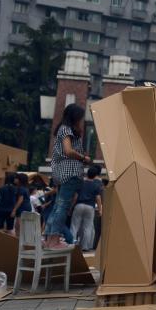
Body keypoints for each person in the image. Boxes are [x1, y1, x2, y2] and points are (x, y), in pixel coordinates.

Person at [44, 104, 91, 249]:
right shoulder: (67, 130)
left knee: (58, 205)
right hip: (70, 172)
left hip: (61, 172)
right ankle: (54, 239)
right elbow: (68, 151)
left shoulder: (61, 129)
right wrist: (83, 158)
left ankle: (49, 238)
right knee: (63, 206)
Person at [71, 165, 103, 251]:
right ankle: (85, 247)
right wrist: (100, 210)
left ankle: (72, 244)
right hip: (90, 207)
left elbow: (75, 197)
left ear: (87, 173)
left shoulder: (81, 183)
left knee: (74, 226)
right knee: (87, 227)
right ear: (95, 175)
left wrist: (71, 207)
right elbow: (98, 198)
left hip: (79, 205)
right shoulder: (96, 185)